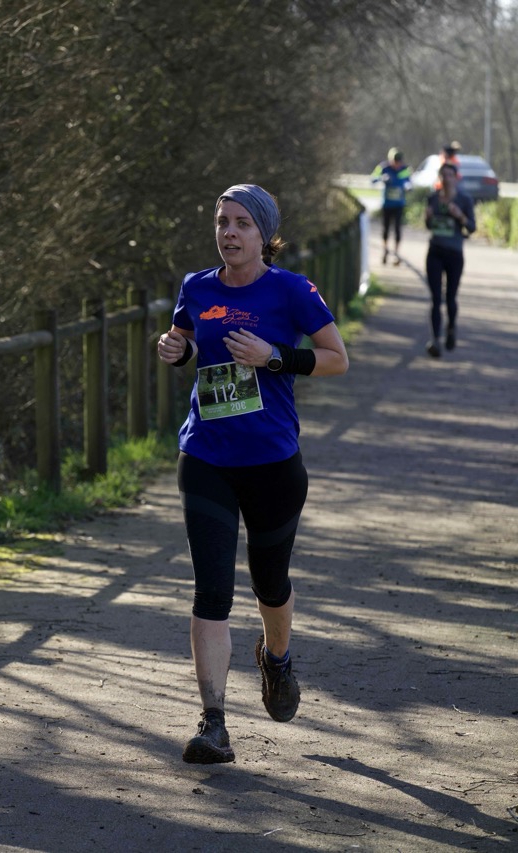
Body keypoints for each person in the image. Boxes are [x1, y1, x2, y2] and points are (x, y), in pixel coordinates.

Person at [156, 184, 349, 764]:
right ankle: (213, 722)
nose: (229, 233)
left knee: (270, 583)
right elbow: (193, 342)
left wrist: (274, 357)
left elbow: (336, 358)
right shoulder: (197, 287)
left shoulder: (292, 290)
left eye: (242, 223)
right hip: (207, 456)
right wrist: (176, 349)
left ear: (264, 234)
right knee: (211, 589)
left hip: (272, 461)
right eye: (222, 222)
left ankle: (276, 659)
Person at [423, 161, 476, 357]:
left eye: (450, 175)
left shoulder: (464, 199)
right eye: (443, 175)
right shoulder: (432, 199)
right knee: (436, 299)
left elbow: (472, 227)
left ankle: (451, 328)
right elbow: (430, 226)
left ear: (456, 178)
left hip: (454, 254)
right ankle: (435, 340)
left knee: (451, 297)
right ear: (440, 178)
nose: (446, 179)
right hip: (435, 252)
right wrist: (427, 218)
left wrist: (460, 216)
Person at [370, 148, 411, 265]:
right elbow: (372, 179)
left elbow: (408, 181)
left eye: (399, 162)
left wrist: (408, 186)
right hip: (387, 204)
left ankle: (396, 253)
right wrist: (381, 178)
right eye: (395, 161)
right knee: (386, 229)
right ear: (390, 160)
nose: (397, 164)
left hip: (399, 204)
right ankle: (385, 250)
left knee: (398, 229)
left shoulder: (405, 169)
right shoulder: (383, 167)